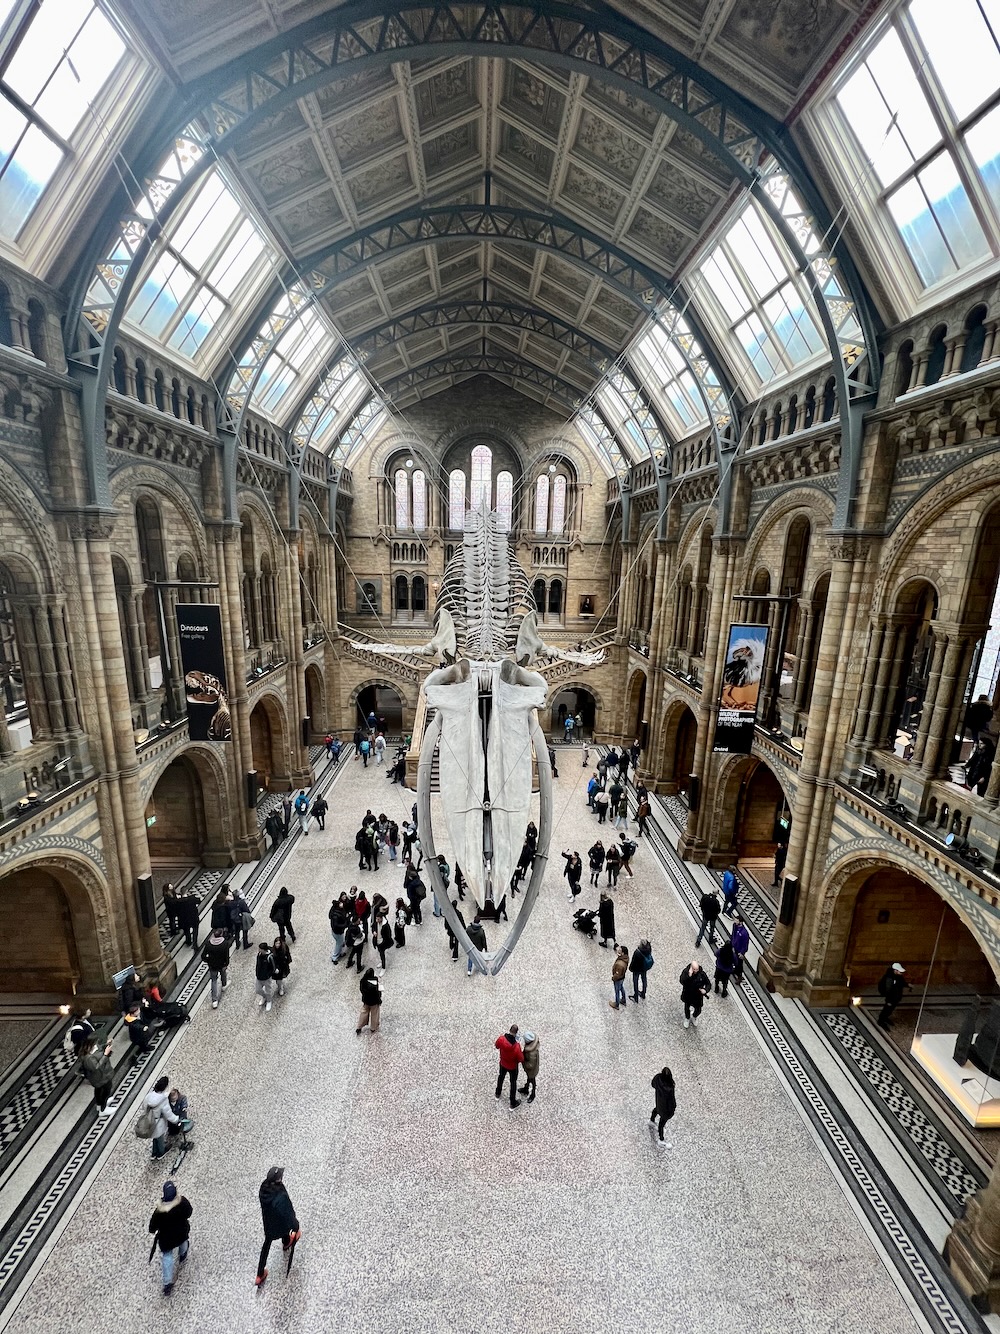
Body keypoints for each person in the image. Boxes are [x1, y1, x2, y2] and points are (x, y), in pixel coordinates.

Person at [255, 1166, 301, 1287]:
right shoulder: (280, 1196)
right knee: (285, 1229)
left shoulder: (263, 1188)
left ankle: (259, 1273)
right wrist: (296, 1227)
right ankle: (287, 1242)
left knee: (266, 1245)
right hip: (281, 1223)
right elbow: (288, 1213)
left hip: (269, 1223)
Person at [148, 1180, 192, 1296]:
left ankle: (167, 1283)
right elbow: (189, 1212)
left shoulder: (160, 1211)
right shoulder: (182, 1202)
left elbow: (152, 1228)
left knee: (167, 1257)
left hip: (166, 1239)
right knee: (183, 1242)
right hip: (181, 1232)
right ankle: (183, 1255)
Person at [145, 1073, 179, 1160]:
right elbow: (168, 1114)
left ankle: (154, 1153)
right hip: (158, 1122)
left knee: (154, 1137)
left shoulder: (149, 1096)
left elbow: (144, 1107)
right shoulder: (162, 1100)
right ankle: (160, 1152)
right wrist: (176, 1119)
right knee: (159, 1137)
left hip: (148, 1120)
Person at [82, 1035, 115, 1114]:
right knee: (106, 1091)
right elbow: (96, 1067)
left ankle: (99, 1104)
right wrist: (105, 1055)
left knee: (99, 1090)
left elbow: (99, 1048)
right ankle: (103, 1109)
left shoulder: (93, 1048)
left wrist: (106, 1045)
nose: (96, 1044)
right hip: (99, 1077)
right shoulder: (88, 1058)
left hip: (103, 1075)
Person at [494, 1025, 523, 1107]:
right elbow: (521, 1058)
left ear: (509, 1030)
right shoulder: (516, 1046)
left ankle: (497, 1093)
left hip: (503, 1063)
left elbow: (496, 1046)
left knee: (501, 1077)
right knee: (513, 1083)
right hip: (512, 1067)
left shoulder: (501, 1039)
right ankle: (512, 1102)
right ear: (516, 1033)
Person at [201, 929, 230, 1008]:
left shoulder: (209, 944)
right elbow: (226, 955)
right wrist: (226, 963)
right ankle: (224, 985)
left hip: (212, 965)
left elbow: (203, 956)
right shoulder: (225, 943)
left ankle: (214, 1000)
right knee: (223, 973)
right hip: (222, 964)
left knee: (213, 980)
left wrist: (208, 961)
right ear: (221, 935)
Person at [877, 962, 910, 1031]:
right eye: (899, 971)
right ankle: (881, 1020)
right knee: (887, 1009)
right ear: (895, 970)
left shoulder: (898, 977)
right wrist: (888, 1000)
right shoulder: (889, 978)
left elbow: (902, 982)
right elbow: (888, 990)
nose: (901, 973)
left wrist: (907, 985)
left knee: (890, 1009)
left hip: (896, 997)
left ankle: (885, 1018)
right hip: (891, 998)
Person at [649, 1067, 676, 1148]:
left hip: (659, 1101)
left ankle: (651, 1121)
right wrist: (672, 1110)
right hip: (666, 1108)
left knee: (656, 1109)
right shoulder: (670, 1087)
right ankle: (661, 1140)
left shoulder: (658, 1078)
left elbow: (653, 1084)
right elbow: (672, 1101)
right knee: (661, 1124)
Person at [680, 960, 711, 1028]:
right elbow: (682, 981)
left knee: (698, 1009)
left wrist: (705, 990)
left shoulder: (702, 974)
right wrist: (689, 976)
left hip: (698, 995)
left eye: (697, 969)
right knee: (687, 1008)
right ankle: (687, 1018)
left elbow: (708, 983)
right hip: (688, 994)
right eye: (694, 969)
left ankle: (694, 1016)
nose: (696, 970)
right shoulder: (686, 972)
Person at [356, 967, 382, 1034]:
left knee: (363, 1013)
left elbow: (361, 990)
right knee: (374, 1014)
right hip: (374, 1002)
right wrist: (379, 999)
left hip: (366, 1001)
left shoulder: (362, 981)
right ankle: (373, 1028)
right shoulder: (375, 982)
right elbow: (377, 993)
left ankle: (359, 1027)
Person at [519, 1031, 540, 1103]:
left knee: (532, 1081)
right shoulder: (532, 1046)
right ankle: (526, 1088)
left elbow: (530, 1065)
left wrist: (523, 1061)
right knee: (529, 1079)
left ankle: (533, 1094)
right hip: (531, 1070)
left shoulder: (531, 1053)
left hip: (532, 1070)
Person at [254, 942, 276, 1012]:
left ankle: (269, 1001)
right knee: (258, 990)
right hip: (259, 976)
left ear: (264, 950)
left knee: (268, 990)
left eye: (260, 949)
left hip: (266, 977)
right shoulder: (259, 955)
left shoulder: (269, 957)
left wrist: (268, 974)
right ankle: (264, 997)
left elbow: (273, 967)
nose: (259, 950)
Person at [630, 938, 653, 1002]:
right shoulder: (649, 949)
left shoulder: (637, 952)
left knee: (635, 982)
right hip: (644, 968)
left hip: (637, 969)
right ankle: (643, 993)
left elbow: (633, 962)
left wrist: (631, 969)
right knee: (644, 980)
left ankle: (636, 996)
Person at [329, 895, 349, 964]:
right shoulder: (336, 915)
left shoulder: (335, 911)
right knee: (339, 944)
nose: (341, 904)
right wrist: (345, 925)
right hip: (338, 932)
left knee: (340, 943)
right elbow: (337, 925)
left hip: (337, 931)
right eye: (340, 903)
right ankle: (334, 957)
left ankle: (340, 953)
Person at [731, 915, 750, 984]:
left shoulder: (744, 933)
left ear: (741, 922)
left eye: (736, 920)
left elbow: (745, 944)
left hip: (740, 950)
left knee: (739, 963)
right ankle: (736, 970)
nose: (735, 921)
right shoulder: (735, 926)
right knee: (735, 961)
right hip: (735, 948)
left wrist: (742, 952)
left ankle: (739, 976)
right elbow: (733, 934)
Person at [610, 945, 629, 1010]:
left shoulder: (619, 964)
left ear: (623, 953)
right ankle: (623, 999)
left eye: (620, 950)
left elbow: (617, 975)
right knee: (621, 987)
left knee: (617, 991)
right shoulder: (625, 958)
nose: (618, 950)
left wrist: (613, 978)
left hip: (618, 979)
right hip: (622, 977)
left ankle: (616, 1005)